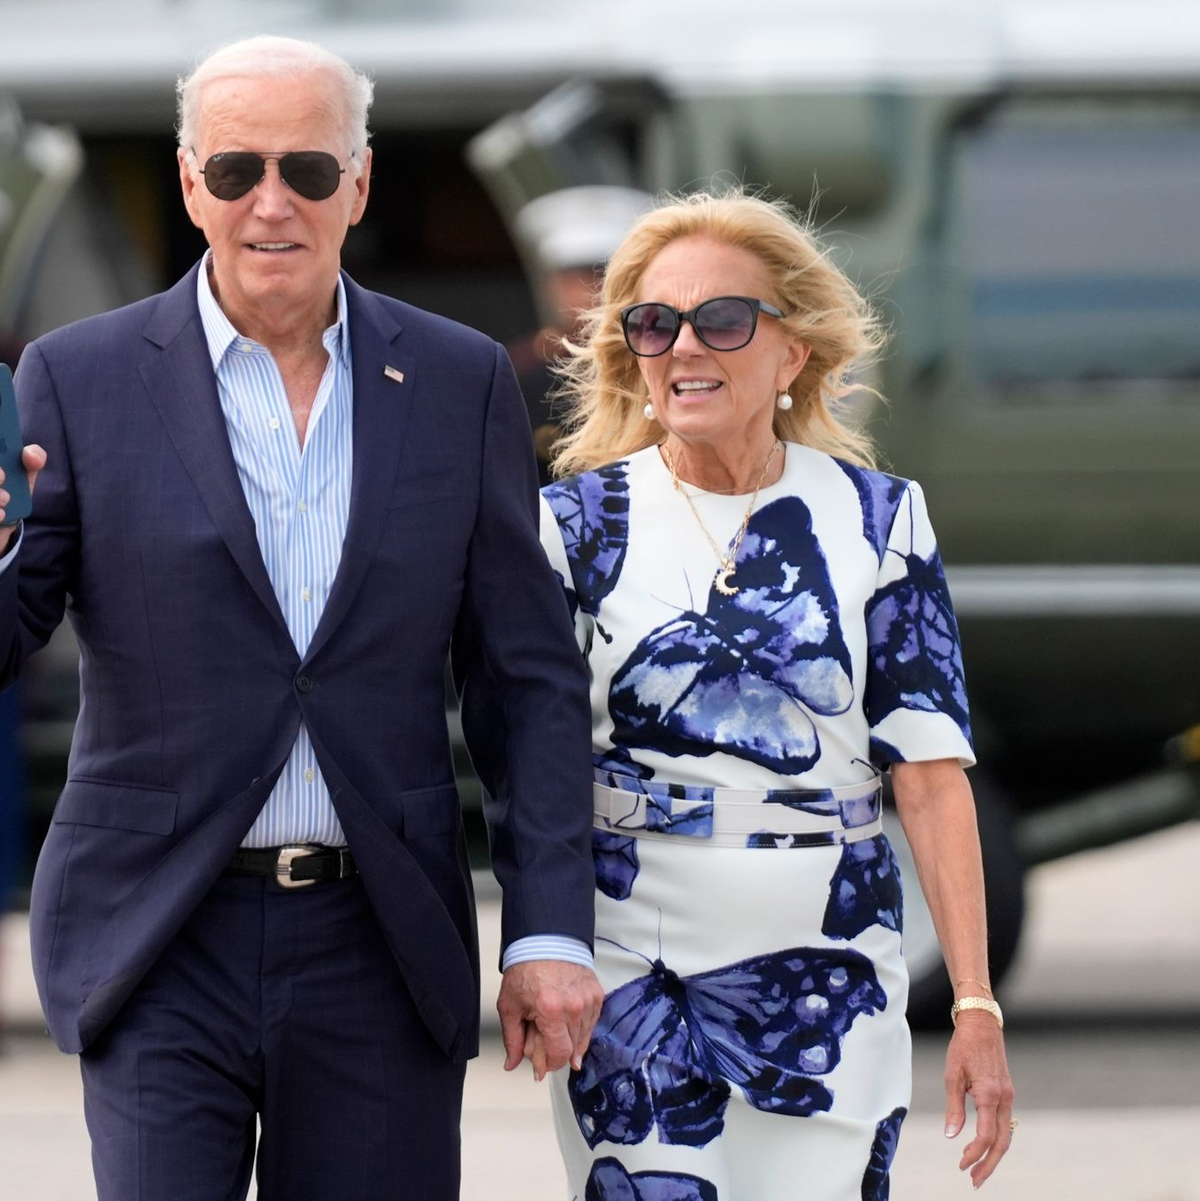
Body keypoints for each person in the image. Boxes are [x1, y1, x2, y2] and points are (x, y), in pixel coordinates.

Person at [0, 35, 602, 1201]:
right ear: (190, 184)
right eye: (236, 172)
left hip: (381, 942)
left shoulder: (460, 378)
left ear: (359, 183)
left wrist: (547, 930)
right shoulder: (77, 380)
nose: (271, 202)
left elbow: (527, 680)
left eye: (308, 171)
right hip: (157, 940)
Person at [538, 190, 1015, 1200]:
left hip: (829, 971)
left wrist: (975, 1000)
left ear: (791, 351)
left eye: (722, 319)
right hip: (627, 964)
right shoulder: (575, 522)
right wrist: (535, 951)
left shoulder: (879, 515)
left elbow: (928, 777)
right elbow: (527, 761)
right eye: (654, 323)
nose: (682, 347)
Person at [507, 186, 652, 484]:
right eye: (574, 279)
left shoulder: (662, 356)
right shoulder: (519, 368)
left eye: (601, 276)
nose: (589, 292)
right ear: (552, 285)